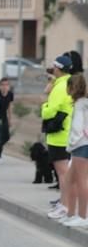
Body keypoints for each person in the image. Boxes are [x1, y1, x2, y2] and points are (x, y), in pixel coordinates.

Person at [43, 55, 74, 219]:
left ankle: (65, 206)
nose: (52, 68)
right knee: (64, 172)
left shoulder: (60, 87)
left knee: (62, 172)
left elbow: (50, 111)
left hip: (59, 135)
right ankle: (66, 204)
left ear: (59, 68)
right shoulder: (68, 83)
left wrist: (45, 104)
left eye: (54, 66)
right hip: (67, 133)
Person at [62, 73, 88, 227]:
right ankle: (71, 214)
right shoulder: (84, 102)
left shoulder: (79, 104)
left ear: (72, 87)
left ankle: (83, 216)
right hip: (83, 144)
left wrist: (71, 144)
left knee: (81, 181)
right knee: (69, 180)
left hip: (80, 145)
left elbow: (77, 129)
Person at [0, 77, 14, 164]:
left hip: (4, 117)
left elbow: (9, 107)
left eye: (6, 85)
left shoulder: (10, 94)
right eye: (2, 85)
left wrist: (10, 119)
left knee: (6, 137)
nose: (4, 87)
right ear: (0, 86)